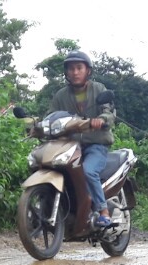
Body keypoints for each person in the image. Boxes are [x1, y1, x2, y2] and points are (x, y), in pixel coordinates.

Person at [48, 50, 116, 229]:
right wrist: (37, 125)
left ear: (88, 71)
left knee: (88, 171)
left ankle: (103, 211)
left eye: (79, 68)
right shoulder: (60, 95)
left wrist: (101, 119)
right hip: (69, 146)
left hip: (96, 144)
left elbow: (108, 111)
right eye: (71, 69)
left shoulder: (99, 89)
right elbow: (51, 116)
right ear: (66, 72)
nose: (75, 72)